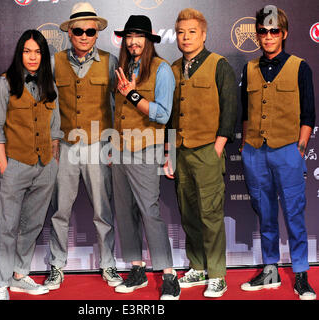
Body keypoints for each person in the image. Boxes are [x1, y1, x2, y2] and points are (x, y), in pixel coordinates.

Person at [44, 2, 122, 290]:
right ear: (69, 33)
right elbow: (48, 105)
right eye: (79, 30)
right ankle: (56, 266)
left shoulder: (111, 62)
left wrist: (114, 141)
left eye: (90, 30)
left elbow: (119, 106)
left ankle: (109, 264)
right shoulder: (54, 62)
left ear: (97, 33)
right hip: (65, 145)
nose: (84, 35)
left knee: (103, 210)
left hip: (98, 144)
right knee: (59, 210)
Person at [239, 6, 316, 300]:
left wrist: (298, 150)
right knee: (266, 214)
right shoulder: (249, 68)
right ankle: (270, 268)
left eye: (273, 31)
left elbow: (309, 114)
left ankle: (300, 274)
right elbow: (245, 113)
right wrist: (246, 145)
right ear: (257, 34)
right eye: (262, 31)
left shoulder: (300, 66)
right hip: (255, 152)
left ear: (283, 33)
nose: (268, 36)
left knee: (294, 214)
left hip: (288, 152)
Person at [167, 8, 238, 298]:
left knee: (210, 214)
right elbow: (171, 115)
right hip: (181, 152)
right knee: (189, 213)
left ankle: (217, 274)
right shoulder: (172, 68)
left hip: (209, 151)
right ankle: (197, 266)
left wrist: (219, 146)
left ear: (204, 34)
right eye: (181, 32)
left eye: (192, 32)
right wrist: (169, 153)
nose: (185, 37)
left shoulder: (219, 65)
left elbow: (230, 108)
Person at [0, 29, 61, 300]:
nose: (32, 57)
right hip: (15, 166)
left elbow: (56, 129)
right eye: (27, 51)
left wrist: (53, 161)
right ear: (19, 54)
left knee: (32, 224)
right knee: (7, 226)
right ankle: (1, 284)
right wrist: (5, 167)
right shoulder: (2, 86)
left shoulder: (49, 87)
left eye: (38, 52)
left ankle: (19, 275)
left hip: (45, 167)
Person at [111, 15, 180, 300]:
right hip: (119, 150)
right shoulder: (124, 67)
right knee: (125, 213)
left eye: (138, 36)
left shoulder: (162, 69)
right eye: (129, 36)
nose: (133, 41)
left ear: (149, 39)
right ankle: (137, 270)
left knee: (149, 212)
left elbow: (164, 114)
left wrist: (133, 95)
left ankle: (168, 275)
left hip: (145, 149)